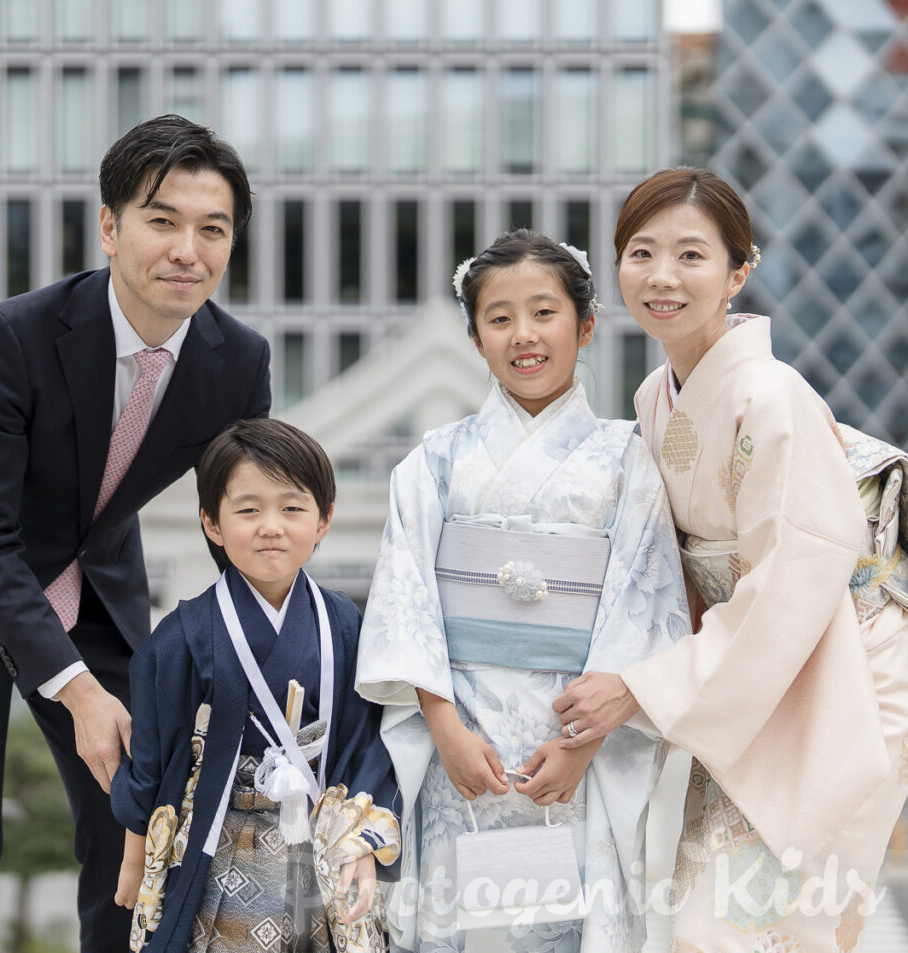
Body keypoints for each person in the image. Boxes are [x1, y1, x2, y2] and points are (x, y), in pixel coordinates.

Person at [0, 114, 272, 953]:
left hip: (90, 578)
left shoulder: (238, 362)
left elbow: (238, 525)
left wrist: (261, 657)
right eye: (162, 220)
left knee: (140, 827)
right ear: (110, 226)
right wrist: (78, 691)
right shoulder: (9, 338)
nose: (187, 250)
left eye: (213, 229)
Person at [554, 166, 908, 951]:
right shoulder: (657, 397)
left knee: (758, 927)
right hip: (752, 681)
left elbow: (796, 575)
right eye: (642, 253)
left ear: (738, 272)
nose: (663, 276)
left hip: (839, 679)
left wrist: (643, 686)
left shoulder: (771, 397)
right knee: (707, 927)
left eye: (691, 255)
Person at [356, 230, 691, 953]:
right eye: (499, 318)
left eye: (544, 312)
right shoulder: (434, 460)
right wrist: (444, 728)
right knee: (463, 924)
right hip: (462, 743)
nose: (523, 335)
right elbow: (405, 603)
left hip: (574, 745)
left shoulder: (628, 459)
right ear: (476, 337)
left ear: (586, 325)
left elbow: (645, 602)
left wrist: (583, 743)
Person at [111, 418, 400, 953]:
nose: (271, 526)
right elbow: (153, 756)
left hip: (319, 835)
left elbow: (367, 740)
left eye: (292, 508)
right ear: (212, 523)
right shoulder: (183, 635)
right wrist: (136, 861)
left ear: (323, 520)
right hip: (221, 838)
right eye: (248, 510)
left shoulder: (344, 624)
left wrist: (361, 840)